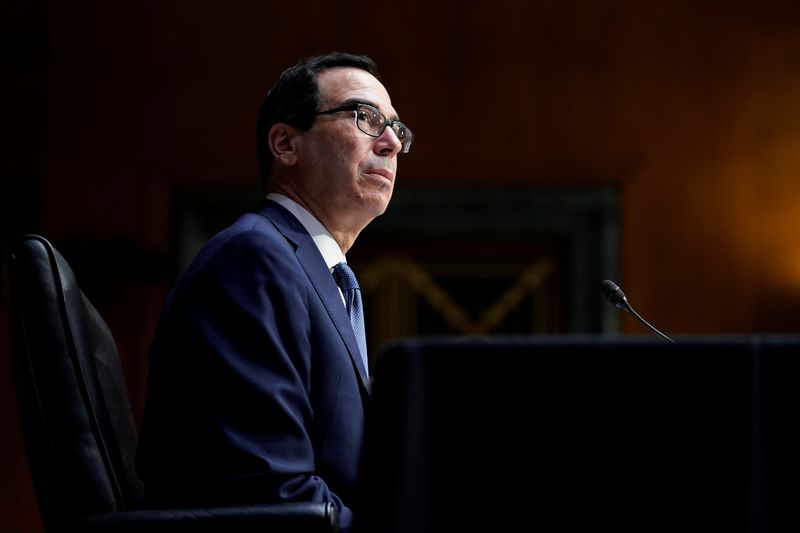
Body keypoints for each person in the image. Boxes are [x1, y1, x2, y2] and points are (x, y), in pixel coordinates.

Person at [135, 52, 413, 531]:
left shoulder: (320, 277)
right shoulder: (254, 259)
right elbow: (271, 491)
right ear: (285, 143)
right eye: (365, 117)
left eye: (397, 128)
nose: (391, 142)